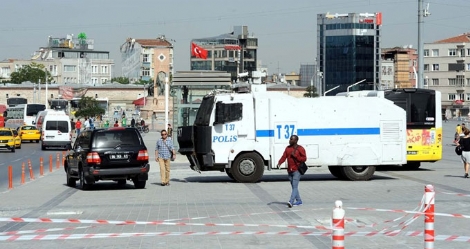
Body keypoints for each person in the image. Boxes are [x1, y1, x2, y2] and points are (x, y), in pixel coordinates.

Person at [276, 135, 307, 208]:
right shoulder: (288, 148)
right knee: (294, 187)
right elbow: (284, 156)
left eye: (291, 139)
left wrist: (296, 156)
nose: (289, 140)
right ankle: (299, 200)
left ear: (296, 140)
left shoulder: (300, 149)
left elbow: (304, 158)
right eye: (290, 139)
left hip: (297, 170)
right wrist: (279, 163)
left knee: (295, 186)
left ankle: (291, 201)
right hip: (290, 170)